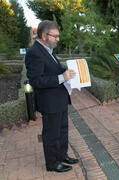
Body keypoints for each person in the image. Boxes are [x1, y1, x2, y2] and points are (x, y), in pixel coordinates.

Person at [25, 20, 78, 172]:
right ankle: (52, 163)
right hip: (49, 102)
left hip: (59, 98)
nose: (58, 39)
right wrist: (62, 77)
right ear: (44, 35)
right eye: (55, 36)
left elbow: (54, 69)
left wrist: (69, 70)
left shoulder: (48, 49)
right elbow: (36, 80)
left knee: (62, 129)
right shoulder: (34, 52)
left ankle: (62, 155)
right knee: (51, 134)